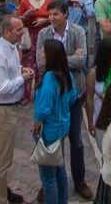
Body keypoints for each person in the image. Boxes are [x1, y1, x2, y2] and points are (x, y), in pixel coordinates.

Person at [35, 0, 92, 200]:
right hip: (52, 96)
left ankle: (79, 180)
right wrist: (69, 58)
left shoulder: (77, 32)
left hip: (73, 94)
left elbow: (82, 59)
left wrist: (56, 59)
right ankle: (51, 183)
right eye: (49, 15)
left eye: (55, 14)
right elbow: (41, 64)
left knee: (75, 140)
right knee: (53, 140)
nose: (51, 18)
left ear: (65, 14)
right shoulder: (44, 33)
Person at [0, 15, 32, 204]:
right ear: (6, 32)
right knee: (2, 160)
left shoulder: (12, 47)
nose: (22, 32)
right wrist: (22, 79)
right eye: (18, 29)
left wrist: (21, 71)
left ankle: (3, 191)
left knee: (6, 157)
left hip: (9, 109)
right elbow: (1, 88)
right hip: (2, 111)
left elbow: (12, 71)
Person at [34, 39, 80, 204]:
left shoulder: (49, 78)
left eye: (43, 51)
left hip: (48, 132)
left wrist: (37, 124)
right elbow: (73, 97)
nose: (40, 53)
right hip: (62, 129)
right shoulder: (66, 74)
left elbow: (43, 109)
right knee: (59, 168)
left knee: (48, 177)